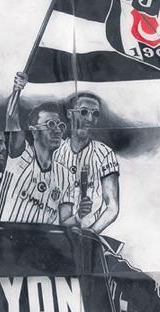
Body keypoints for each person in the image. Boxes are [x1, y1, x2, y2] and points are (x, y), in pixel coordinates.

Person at [0, 72, 77, 225]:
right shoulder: (20, 155)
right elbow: (11, 119)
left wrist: (80, 217)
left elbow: (65, 223)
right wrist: (17, 90)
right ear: (34, 131)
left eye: (60, 126)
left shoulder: (66, 176)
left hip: (41, 240)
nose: (57, 130)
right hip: (5, 236)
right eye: (50, 124)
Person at [54, 90, 120, 233]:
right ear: (69, 114)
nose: (90, 118)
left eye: (95, 113)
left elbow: (112, 207)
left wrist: (91, 234)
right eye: (83, 112)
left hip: (90, 234)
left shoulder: (104, 153)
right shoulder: (55, 152)